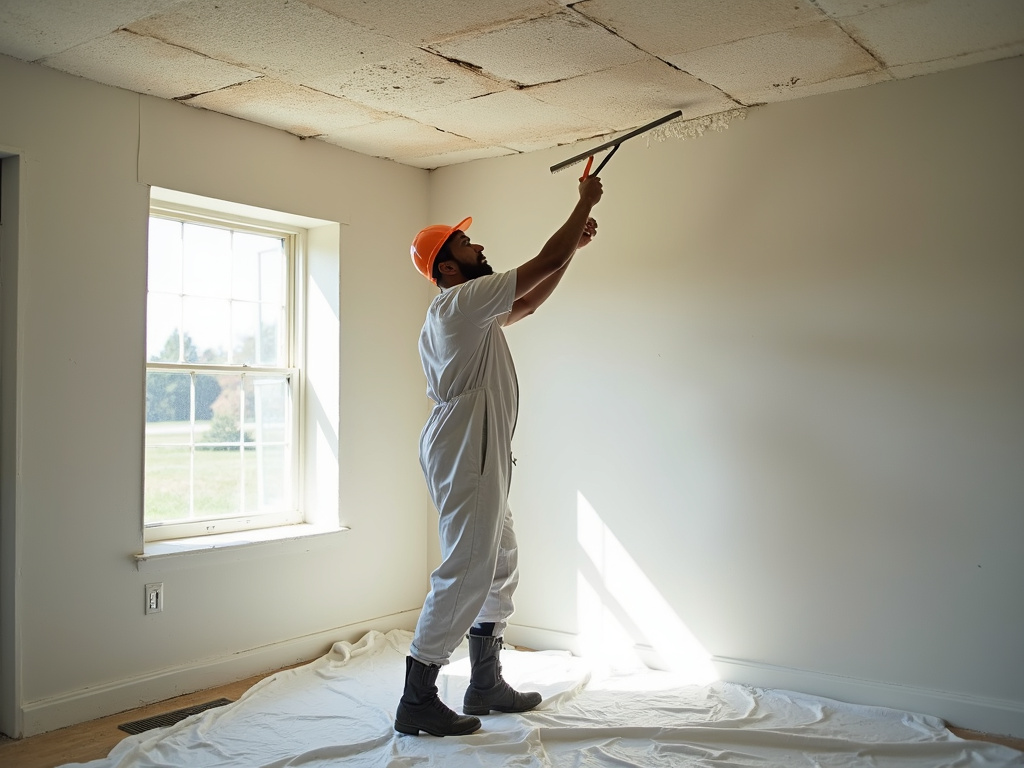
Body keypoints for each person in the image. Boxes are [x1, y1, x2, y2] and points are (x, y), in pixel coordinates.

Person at [395, 175, 604, 737]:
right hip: (468, 444)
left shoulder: (472, 313)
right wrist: (579, 206)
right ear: (446, 267)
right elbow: (539, 263)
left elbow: (530, 301)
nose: (479, 247)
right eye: (466, 245)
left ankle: (485, 682)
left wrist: (571, 252)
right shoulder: (458, 305)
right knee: (467, 566)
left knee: (500, 560)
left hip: (473, 443)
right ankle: (417, 696)